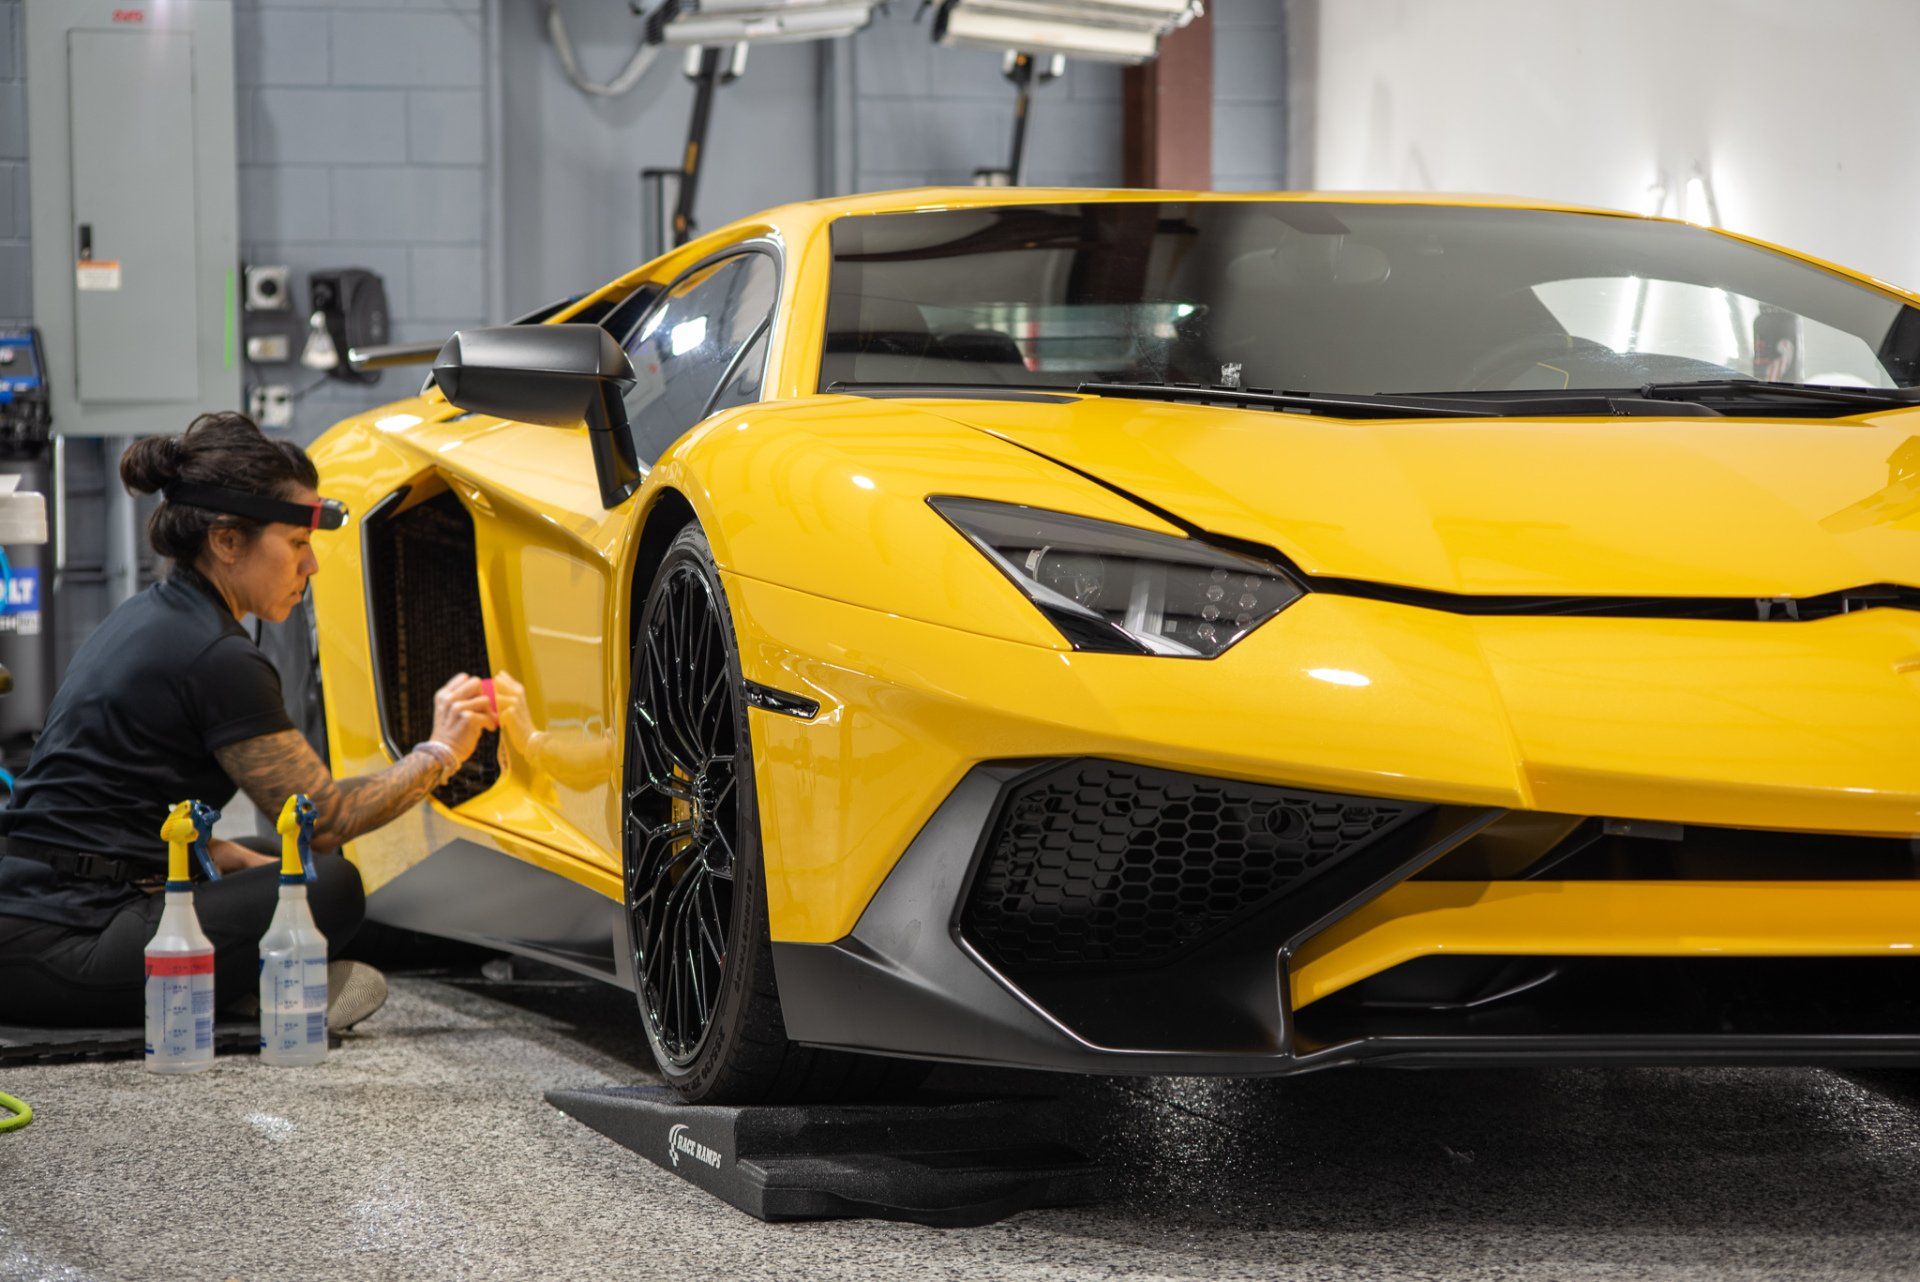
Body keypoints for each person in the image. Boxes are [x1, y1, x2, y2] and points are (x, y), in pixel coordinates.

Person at [0, 412, 497, 1028]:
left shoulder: (156, 616)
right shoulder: (215, 654)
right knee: (331, 884)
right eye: (296, 544)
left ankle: (256, 974)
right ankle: (259, 985)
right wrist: (441, 752)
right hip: (65, 941)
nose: (311, 566)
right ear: (228, 541)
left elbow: (115, 805)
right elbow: (327, 818)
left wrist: (224, 852)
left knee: (274, 853)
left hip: (43, 907)